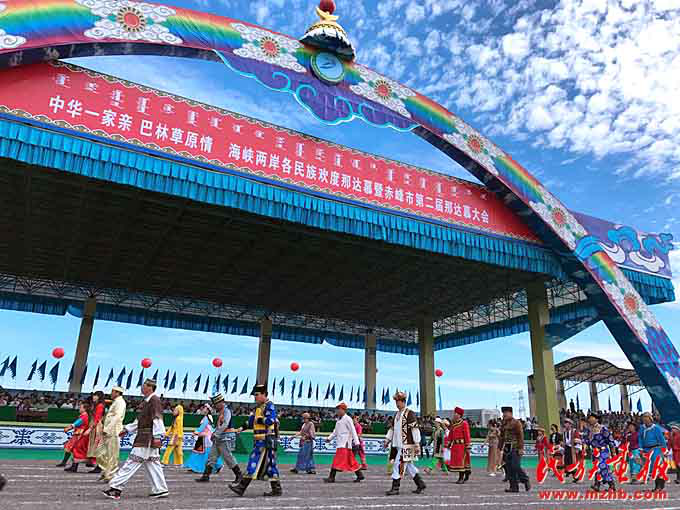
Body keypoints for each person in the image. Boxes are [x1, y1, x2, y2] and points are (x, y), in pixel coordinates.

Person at [103, 378, 168, 500]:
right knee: (153, 464)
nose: (142, 387)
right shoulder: (148, 401)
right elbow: (139, 421)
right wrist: (127, 429)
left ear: (150, 387)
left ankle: (116, 488)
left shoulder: (154, 400)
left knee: (132, 462)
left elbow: (157, 419)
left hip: (146, 438)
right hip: (147, 437)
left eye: (144, 385)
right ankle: (160, 489)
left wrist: (158, 436)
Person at [229, 384, 281, 497]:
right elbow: (251, 421)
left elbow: (271, 420)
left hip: (265, 440)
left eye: (257, 395)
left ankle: (241, 487)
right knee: (271, 465)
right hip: (262, 440)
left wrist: (259, 419)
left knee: (253, 461)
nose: (255, 397)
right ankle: (277, 489)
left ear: (264, 394)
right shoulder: (258, 407)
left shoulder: (269, 405)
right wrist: (241, 428)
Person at [384, 391, 426, 496]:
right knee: (409, 467)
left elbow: (415, 429)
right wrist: (387, 439)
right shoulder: (396, 414)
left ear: (403, 402)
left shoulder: (409, 413)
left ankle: (395, 488)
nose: (397, 404)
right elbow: (392, 429)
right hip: (398, 445)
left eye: (398, 401)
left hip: (407, 445)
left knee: (398, 464)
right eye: (396, 402)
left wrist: (417, 443)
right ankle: (420, 484)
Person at [196, 394, 242, 484]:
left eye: (215, 404)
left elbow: (225, 424)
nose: (214, 406)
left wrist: (216, 433)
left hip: (226, 437)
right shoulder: (221, 411)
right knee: (211, 456)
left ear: (221, 402)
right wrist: (215, 434)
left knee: (228, 457)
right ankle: (206, 476)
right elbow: (220, 425)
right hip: (219, 437)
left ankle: (239, 475)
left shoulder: (227, 411)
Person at [323, 402, 364, 483]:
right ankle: (360, 475)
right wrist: (329, 438)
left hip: (345, 444)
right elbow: (335, 431)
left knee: (337, 460)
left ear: (343, 410)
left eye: (339, 409)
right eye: (337, 409)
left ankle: (331, 477)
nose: (337, 411)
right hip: (341, 444)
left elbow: (353, 431)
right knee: (351, 461)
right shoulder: (339, 420)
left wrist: (357, 443)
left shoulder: (348, 419)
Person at [97, 386, 126, 482]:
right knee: (102, 452)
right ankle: (106, 471)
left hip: (113, 431)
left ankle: (110, 475)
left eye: (113, 392)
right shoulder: (116, 402)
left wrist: (108, 428)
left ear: (117, 393)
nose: (111, 393)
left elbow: (117, 416)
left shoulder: (120, 402)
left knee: (112, 454)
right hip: (108, 430)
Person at [184, 403, 224, 474]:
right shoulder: (207, 417)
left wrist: (196, 432)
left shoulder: (207, 418)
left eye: (204, 408)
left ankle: (217, 465)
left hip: (206, 438)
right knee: (199, 452)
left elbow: (202, 427)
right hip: (202, 437)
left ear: (208, 410)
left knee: (207, 452)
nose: (202, 409)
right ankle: (195, 467)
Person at [499, 406, 530, 493]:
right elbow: (502, 436)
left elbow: (520, 436)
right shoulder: (503, 423)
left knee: (515, 466)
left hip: (515, 447)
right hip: (507, 448)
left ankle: (525, 479)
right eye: (503, 413)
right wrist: (500, 447)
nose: (504, 415)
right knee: (509, 468)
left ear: (510, 413)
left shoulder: (516, 423)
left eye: (506, 413)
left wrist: (521, 448)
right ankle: (514, 487)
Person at [585, 412, 617, 492]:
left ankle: (611, 484)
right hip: (595, 451)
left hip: (603, 451)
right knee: (597, 468)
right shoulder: (589, 430)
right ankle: (597, 484)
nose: (590, 419)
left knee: (603, 467)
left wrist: (613, 452)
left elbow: (610, 440)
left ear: (596, 419)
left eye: (592, 418)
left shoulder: (602, 429)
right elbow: (587, 440)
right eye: (589, 418)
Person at [638, 412, 668, 492]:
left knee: (657, 466)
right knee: (651, 468)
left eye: (647, 418)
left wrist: (665, 450)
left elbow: (661, 439)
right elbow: (640, 438)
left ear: (650, 419)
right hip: (646, 450)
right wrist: (641, 449)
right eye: (644, 418)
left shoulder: (656, 428)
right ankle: (657, 486)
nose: (645, 420)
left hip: (656, 449)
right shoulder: (642, 428)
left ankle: (659, 485)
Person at [63, 401, 92, 473]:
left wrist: (68, 428)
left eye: (80, 407)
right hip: (79, 434)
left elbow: (76, 423)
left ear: (84, 409)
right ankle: (73, 466)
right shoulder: (85, 415)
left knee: (75, 449)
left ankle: (73, 466)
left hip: (79, 435)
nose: (79, 408)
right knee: (74, 449)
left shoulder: (84, 416)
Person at [446, 407, 471, 484]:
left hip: (462, 446)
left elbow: (467, 435)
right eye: (454, 413)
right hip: (455, 446)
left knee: (461, 462)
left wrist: (468, 445)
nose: (454, 414)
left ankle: (461, 477)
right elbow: (450, 435)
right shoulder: (453, 424)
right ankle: (466, 473)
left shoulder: (464, 423)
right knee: (457, 462)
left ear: (460, 415)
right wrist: (448, 443)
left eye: (456, 413)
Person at [86, 391, 106, 474]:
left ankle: (99, 466)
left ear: (99, 397)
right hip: (94, 425)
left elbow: (97, 418)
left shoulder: (100, 406)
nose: (94, 397)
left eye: (96, 396)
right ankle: (93, 462)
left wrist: (90, 429)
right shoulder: (95, 405)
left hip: (96, 427)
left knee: (97, 445)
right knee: (94, 445)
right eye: (94, 395)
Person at [562, 418, 582, 482]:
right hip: (567, 448)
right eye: (565, 423)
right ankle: (571, 473)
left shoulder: (574, 431)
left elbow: (578, 440)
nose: (565, 424)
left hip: (573, 448)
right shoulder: (564, 432)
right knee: (567, 462)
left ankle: (576, 477)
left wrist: (577, 448)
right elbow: (565, 441)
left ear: (570, 424)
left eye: (567, 423)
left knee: (573, 463)